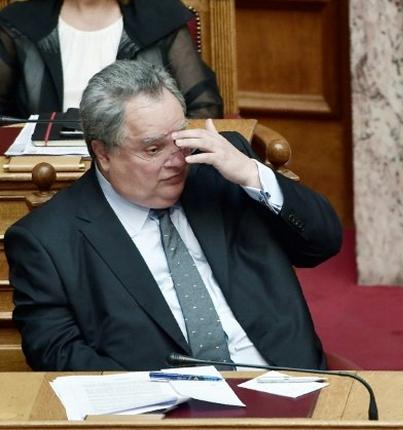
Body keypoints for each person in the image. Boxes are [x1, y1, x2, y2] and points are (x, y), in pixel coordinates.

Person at [6, 60, 341, 371]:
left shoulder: (220, 171)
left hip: (288, 383)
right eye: (153, 149)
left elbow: (323, 244)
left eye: (180, 139)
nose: (178, 161)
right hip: (160, 410)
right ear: (103, 153)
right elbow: (55, 353)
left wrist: (252, 174)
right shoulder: (46, 240)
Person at [0, 0, 222, 118]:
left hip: (139, 171)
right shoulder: (18, 24)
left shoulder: (162, 18)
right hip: (40, 172)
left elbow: (204, 108)